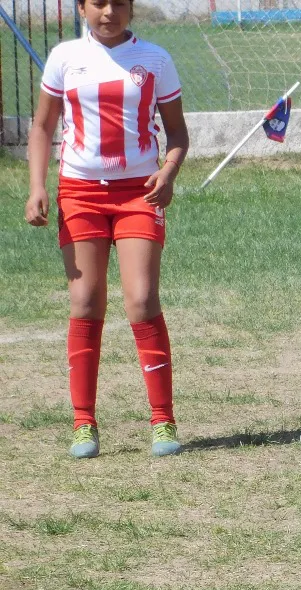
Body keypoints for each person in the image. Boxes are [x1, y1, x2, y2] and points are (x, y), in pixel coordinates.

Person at [24, 0, 187, 459]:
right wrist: (37, 186)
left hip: (139, 193)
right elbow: (41, 126)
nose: (108, 11)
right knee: (85, 300)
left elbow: (177, 133)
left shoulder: (155, 59)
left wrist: (168, 172)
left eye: (118, 2)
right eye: (98, 2)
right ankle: (83, 424)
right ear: (82, 7)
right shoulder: (64, 58)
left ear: (132, 8)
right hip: (79, 193)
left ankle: (162, 419)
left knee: (140, 299)